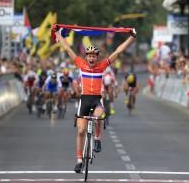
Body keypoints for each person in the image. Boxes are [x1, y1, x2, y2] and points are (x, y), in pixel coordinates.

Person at [53, 25, 136, 173]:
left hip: (97, 99)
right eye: (89, 56)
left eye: (94, 56)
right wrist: (57, 34)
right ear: (86, 57)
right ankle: (79, 160)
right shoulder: (81, 64)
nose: (91, 58)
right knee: (81, 131)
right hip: (84, 100)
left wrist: (131, 37)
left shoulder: (102, 66)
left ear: (97, 58)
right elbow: (67, 49)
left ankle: (97, 139)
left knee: (98, 116)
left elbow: (118, 51)